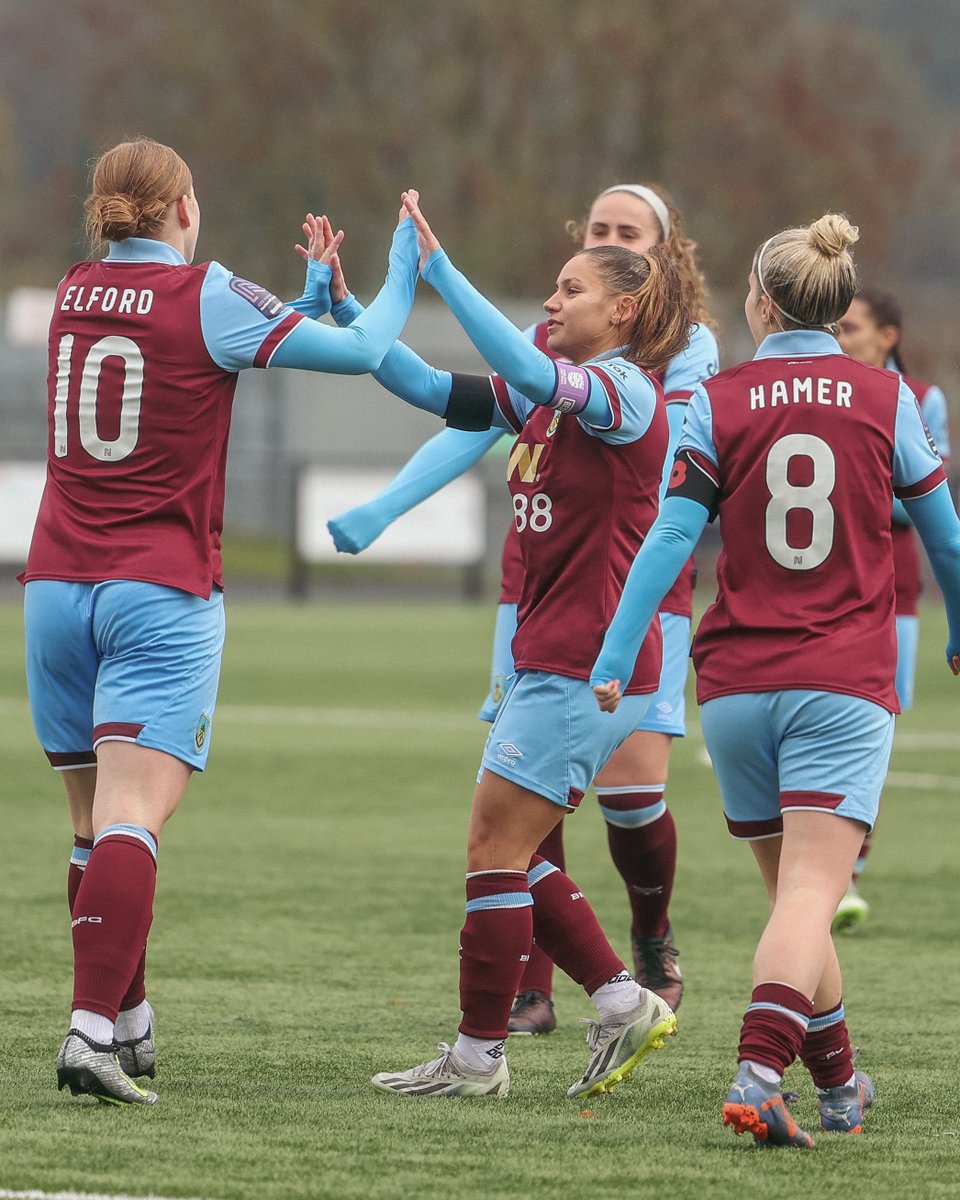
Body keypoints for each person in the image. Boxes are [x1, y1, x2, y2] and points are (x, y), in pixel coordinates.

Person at [21, 137, 421, 1106]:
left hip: (54, 584)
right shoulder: (206, 292)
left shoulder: (74, 289)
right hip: (159, 589)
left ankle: (127, 1016)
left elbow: (250, 340)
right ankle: (87, 1033)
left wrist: (311, 302)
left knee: (92, 825)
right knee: (134, 816)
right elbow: (367, 356)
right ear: (185, 208)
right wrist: (404, 263)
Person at [590, 214, 960, 1146]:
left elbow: (670, 537)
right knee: (810, 898)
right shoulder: (888, 398)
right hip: (841, 680)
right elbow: (945, 534)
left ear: (760, 302)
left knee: (793, 899)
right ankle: (758, 1074)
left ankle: (839, 1086)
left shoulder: (717, 400)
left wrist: (613, 652)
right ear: (838, 306)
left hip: (737, 687)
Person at [328, 184, 719, 1028]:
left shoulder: (624, 392)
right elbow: (433, 388)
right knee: (510, 849)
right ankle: (621, 1000)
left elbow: (529, 367)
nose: (550, 298)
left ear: (623, 311)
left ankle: (483, 1050)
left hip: (587, 661)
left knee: (495, 848)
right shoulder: (552, 393)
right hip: (551, 653)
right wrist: (349, 308)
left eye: (571, 289)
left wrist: (440, 269)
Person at [833, 286, 951, 931]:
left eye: (853, 327)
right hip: (820, 589)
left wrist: (848, 497)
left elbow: (920, 502)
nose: (842, 337)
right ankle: (827, 872)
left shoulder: (921, 398)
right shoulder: (822, 391)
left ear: (889, 336)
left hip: (893, 596)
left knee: (874, 728)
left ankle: (846, 874)